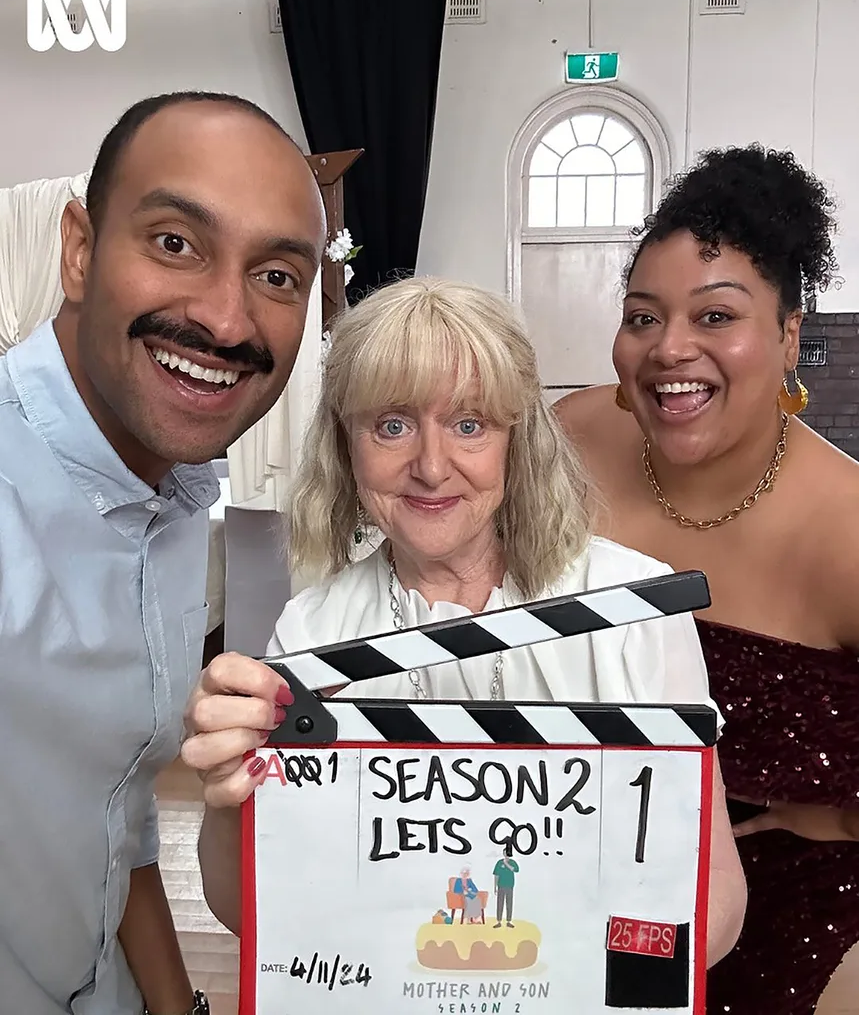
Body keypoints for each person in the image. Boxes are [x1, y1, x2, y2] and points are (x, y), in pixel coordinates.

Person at [181, 276, 746, 969]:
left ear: (517, 440)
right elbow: (253, 912)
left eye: (469, 425)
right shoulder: (312, 633)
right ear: (345, 446)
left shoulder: (633, 610)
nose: (430, 467)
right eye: (391, 426)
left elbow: (712, 899)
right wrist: (225, 794)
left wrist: (583, 979)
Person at [0, 91, 325, 1015]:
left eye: (276, 275)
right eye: (176, 242)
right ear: (78, 249)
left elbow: (119, 804)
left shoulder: (173, 498)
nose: (225, 321)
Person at [553, 145, 859, 1015]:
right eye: (641, 318)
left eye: (714, 315)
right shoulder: (566, 440)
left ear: (788, 334)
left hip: (781, 924)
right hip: (572, 884)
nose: (669, 348)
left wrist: (837, 818)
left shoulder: (845, 529)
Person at [493, 845, 519, 928]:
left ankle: (508, 921)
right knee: (500, 904)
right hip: (501, 886)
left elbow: (515, 870)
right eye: (505, 853)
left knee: (509, 903)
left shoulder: (512, 862)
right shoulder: (499, 862)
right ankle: (499, 921)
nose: (506, 854)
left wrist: (506, 863)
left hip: (510, 886)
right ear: (503, 853)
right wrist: (495, 887)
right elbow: (496, 875)